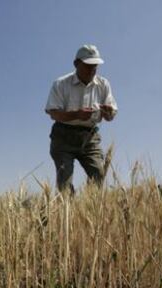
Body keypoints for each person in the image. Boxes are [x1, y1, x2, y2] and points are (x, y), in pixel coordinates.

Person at [45, 44, 117, 193]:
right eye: (88, 65)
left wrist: (108, 113)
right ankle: (67, 212)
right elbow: (53, 113)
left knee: (99, 175)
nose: (92, 70)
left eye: (95, 66)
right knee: (64, 183)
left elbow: (110, 117)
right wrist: (77, 114)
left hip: (90, 137)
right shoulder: (61, 84)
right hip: (63, 137)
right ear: (76, 64)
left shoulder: (103, 84)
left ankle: (91, 210)